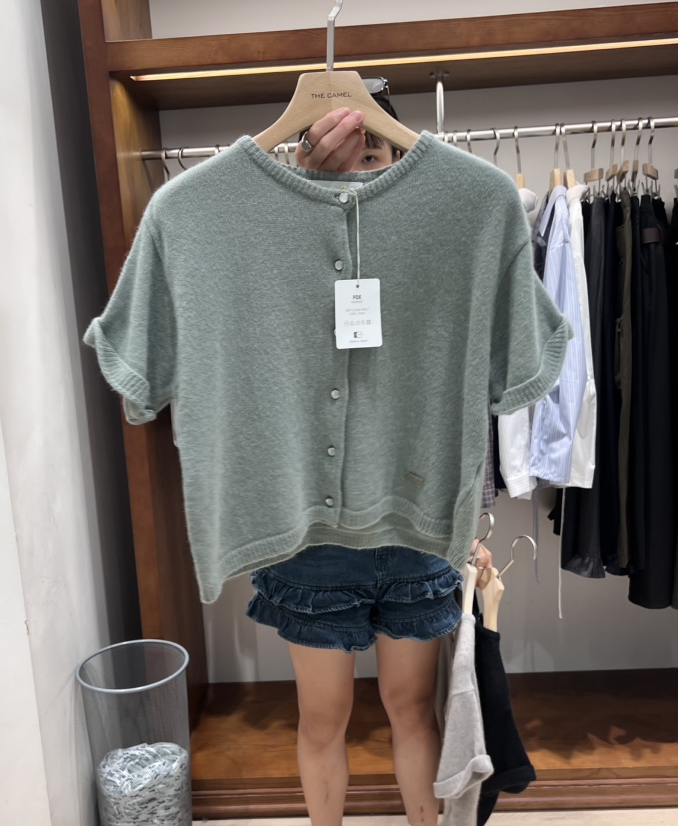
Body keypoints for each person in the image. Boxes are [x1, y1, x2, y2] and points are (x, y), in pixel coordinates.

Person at [246, 81, 493, 826]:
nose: (355, 166)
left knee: (412, 712)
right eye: (333, 150)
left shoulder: (438, 240)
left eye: (373, 151)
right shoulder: (273, 246)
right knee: (324, 721)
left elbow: (464, 385)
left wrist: (469, 517)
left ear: (399, 159)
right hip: (315, 533)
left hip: (415, 523)